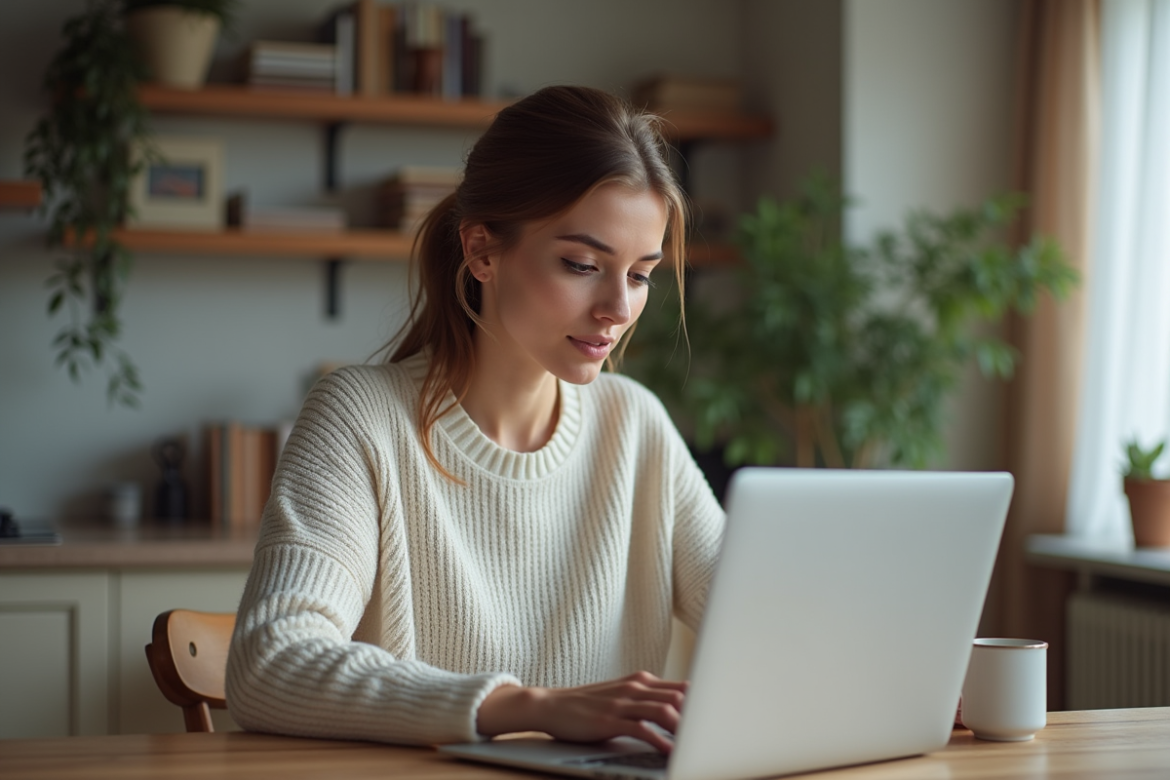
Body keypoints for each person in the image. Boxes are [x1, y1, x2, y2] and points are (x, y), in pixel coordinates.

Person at [225, 85, 725, 753]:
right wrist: (529, 707)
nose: (617, 307)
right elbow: (268, 663)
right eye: (582, 265)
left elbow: (767, 618)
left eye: (639, 275)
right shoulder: (360, 418)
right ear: (483, 251)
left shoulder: (636, 424)